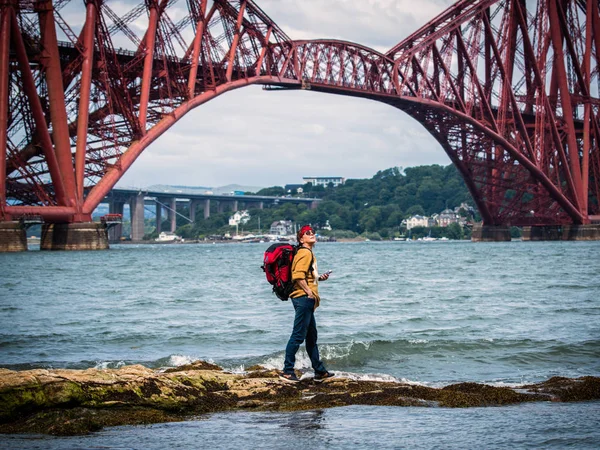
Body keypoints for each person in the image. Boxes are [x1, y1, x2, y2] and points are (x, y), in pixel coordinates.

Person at [280, 225, 335, 383]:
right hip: (304, 299)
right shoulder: (305, 252)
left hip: (305, 299)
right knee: (298, 336)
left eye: (312, 232)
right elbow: (297, 276)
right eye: (307, 233)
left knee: (311, 337)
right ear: (301, 238)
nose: (312, 234)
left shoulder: (306, 252)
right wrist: (309, 292)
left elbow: (307, 275)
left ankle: (319, 371)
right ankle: (287, 371)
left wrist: (320, 278)